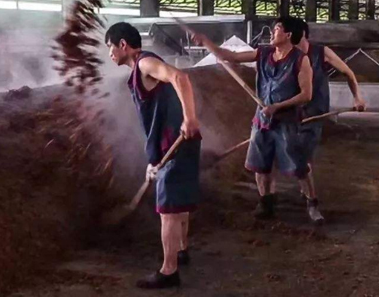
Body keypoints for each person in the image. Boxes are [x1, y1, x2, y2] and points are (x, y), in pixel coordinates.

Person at [105, 22, 201, 289]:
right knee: (178, 202)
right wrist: (153, 157)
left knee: (168, 210)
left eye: (110, 47)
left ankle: (169, 271)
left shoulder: (145, 63)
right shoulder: (139, 70)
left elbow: (181, 77)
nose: (110, 54)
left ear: (123, 44)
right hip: (170, 143)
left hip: (177, 141)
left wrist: (190, 118)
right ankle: (182, 250)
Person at [192, 17, 313, 221]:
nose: (271, 33)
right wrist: (207, 43)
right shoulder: (263, 53)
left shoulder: (301, 60)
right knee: (260, 164)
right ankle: (266, 202)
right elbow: (230, 56)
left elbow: (306, 94)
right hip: (262, 121)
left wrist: (277, 106)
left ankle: (312, 201)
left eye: (276, 29)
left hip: (287, 122)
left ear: (288, 35)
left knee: (298, 165)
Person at [293, 19, 366, 223]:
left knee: (302, 155)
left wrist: (357, 97)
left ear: (302, 35)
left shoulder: (320, 53)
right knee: (293, 155)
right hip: (289, 113)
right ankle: (293, 191)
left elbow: (348, 72)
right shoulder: (284, 55)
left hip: (314, 113)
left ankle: (312, 203)